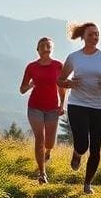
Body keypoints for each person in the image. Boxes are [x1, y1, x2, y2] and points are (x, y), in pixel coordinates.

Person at [57, 22, 101, 195]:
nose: (95, 37)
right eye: (91, 34)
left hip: (99, 107)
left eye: (97, 34)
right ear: (83, 37)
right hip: (77, 105)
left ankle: (87, 184)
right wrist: (68, 83)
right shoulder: (74, 57)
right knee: (83, 144)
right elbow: (60, 80)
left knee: (96, 148)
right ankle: (77, 153)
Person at [20, 37, 66, 183]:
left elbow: (62, 87)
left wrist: (62, 104)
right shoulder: (31, 67)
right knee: (40, 139)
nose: (45, 47)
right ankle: (42, 173)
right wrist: (31, 85)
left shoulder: (59, 65)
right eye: (42, 45)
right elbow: (22, 89)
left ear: (52, 48)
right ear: (38, 50)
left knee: (49, 142)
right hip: (34, 107)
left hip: (53, 108)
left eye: (48, 45)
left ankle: (48, 151)